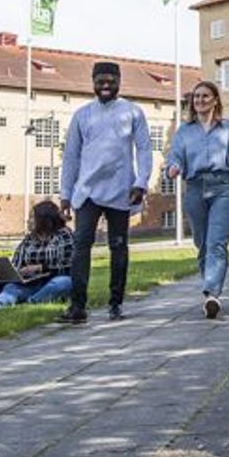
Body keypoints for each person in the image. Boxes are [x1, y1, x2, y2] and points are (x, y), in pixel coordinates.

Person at [59, 60, 151, 324]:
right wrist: (65, 193)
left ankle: (116, 304)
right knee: (81, 246)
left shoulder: (133, 112)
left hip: (121, 190)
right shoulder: (82, 115)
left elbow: (144, 149)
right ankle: (77, 307)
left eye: (111, 80)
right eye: (101, 81)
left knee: (119, 247)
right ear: (93, 83)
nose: (106, 85)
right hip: (87, 191)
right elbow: (71, 157)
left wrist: (141, 183)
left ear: (119, 82)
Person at [165, 80, 229, 319]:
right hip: (194, 189)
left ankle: (212, 293)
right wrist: (172, 168)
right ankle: (210, 292)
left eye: (205, 96)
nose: (200, 100)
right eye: (196, 97)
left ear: (215, 100)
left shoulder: (228, 128)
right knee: (202, 245)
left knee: (216, 243)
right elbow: (175, 158)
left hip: (223, 188)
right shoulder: (184, 131)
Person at [0, 200, 74, 308]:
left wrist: (40, 268)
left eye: (33, 217)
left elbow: (69, 266)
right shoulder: (29, 239)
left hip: (53, 282)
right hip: (29, 284)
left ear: (45, 219)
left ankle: (30, 303)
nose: (29, 220)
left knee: (64, 283)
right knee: (11, 287)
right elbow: (16, 262)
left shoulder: (64, 235)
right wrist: (19, 272)